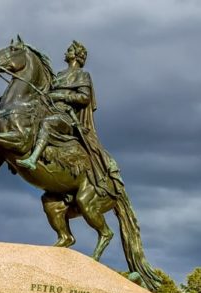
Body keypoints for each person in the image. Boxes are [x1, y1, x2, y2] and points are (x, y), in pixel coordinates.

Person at [17, 40, 123, 197]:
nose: (66, 52)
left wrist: (61, 95)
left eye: (69, 50)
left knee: (47, 123)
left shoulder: (82, 75)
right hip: (48, 109)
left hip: (66, 117)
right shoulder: (59, 75)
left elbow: (84, 98)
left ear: (77, 56)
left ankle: (33, 159)